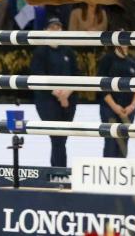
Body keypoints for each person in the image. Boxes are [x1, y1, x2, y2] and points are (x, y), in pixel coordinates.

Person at [29, 17, 78, 167]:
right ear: (45, 30)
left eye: (58, 27)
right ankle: (59, 172)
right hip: (47, 100)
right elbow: (38, 75)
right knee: (57, 136)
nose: (56, 29)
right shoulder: (40, 52)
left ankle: (58, 172)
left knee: (62, 138)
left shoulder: (68, 51)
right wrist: (58, 93)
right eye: (52, 27)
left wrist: (67, 93)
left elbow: (77, 75)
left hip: (69, 99)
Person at [97, 44, 135, 158]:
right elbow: (102, 86)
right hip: (109, 109)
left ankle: (120, 173)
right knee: (111, 142)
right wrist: (114, 106)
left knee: (124, 142)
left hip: (128, 110)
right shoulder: (107, 60)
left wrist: (132, 106)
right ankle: (108, 172)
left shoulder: (134, 62)